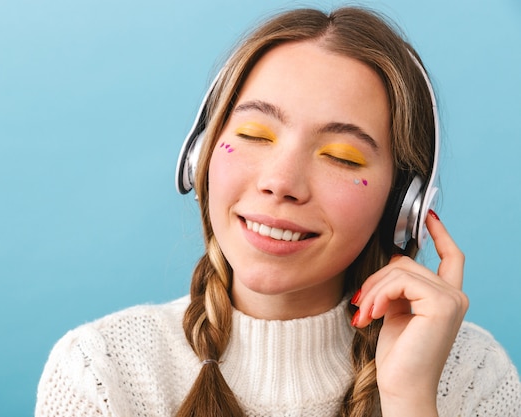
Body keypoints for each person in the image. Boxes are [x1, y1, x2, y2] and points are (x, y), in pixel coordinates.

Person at [35, 7, 521, 417]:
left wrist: (410, 398)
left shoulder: (471, 373)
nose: (281, 183)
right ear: (200, 156)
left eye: (342, 157)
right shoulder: (101, 369)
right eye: (254, 135)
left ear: (403, 206)